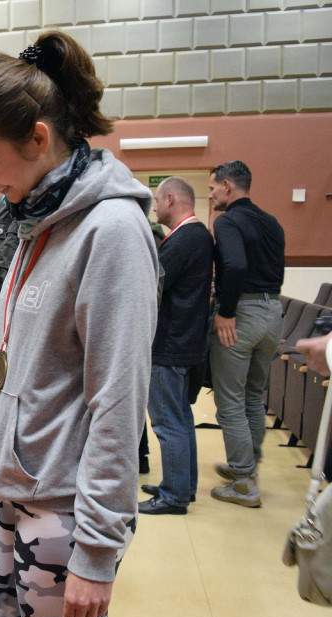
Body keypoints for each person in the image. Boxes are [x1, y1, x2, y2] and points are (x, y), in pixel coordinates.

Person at [0, 32, 158, 617]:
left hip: (63, 518)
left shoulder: (111, 231)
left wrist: (96, 551)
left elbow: (118, 401)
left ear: (39, 139)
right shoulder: (38, 217)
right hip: (11, 502)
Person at [208, 160, 285, 508]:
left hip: (243, 314)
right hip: (273, 313)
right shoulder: (272, 222)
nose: (210, 195)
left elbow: (235, 265)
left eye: (211, 188)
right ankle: (248, 466)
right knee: (254, 396)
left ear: (227, 186)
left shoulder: (228, 221)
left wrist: (225, 311)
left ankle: (242, 481)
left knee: (230, 401)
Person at [138, 177, 215, 515]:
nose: (154, 208)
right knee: (181, 419)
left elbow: (152, 284)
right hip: (183, 342)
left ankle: (174, 495)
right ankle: (183, 484)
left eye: (157, 200)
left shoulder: (185, 239)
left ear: (171, 199)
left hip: (169, 345)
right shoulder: (196, 237)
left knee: (167, 422)